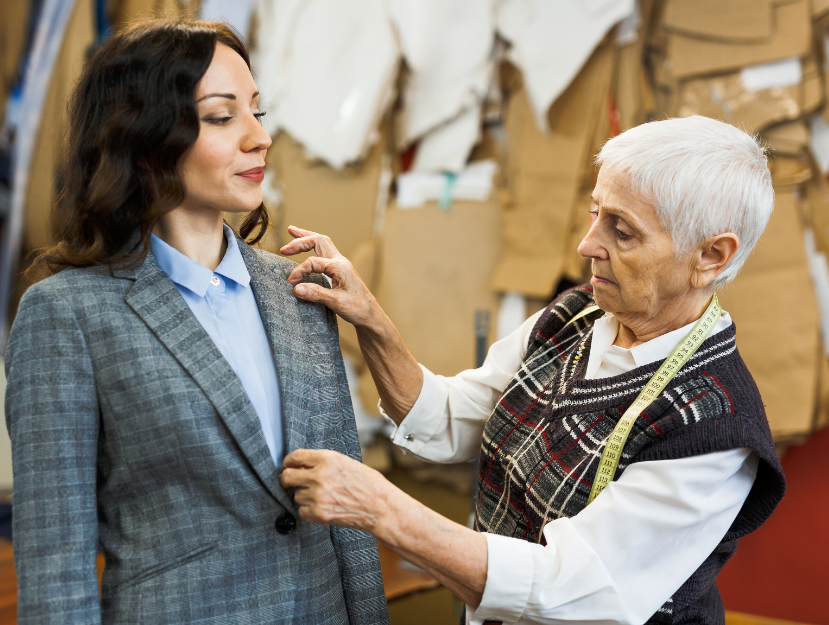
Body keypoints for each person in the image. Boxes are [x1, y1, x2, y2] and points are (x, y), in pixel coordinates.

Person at [278, 116, 787, 625]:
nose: (587, 244)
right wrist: (371, 320)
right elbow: (451, 417)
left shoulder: (715, 426)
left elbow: (571, 588)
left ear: (710, 257)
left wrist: (381, 508)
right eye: (594, 213)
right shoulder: (576, 315)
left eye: (622, 230)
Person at [5, 20, 387, 624]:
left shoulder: (299, 290)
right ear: (145, 135)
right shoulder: (66, 315)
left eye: (257, 111)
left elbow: (351, 518)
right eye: (221, 116)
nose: (260, 137)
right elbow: (57, 564)